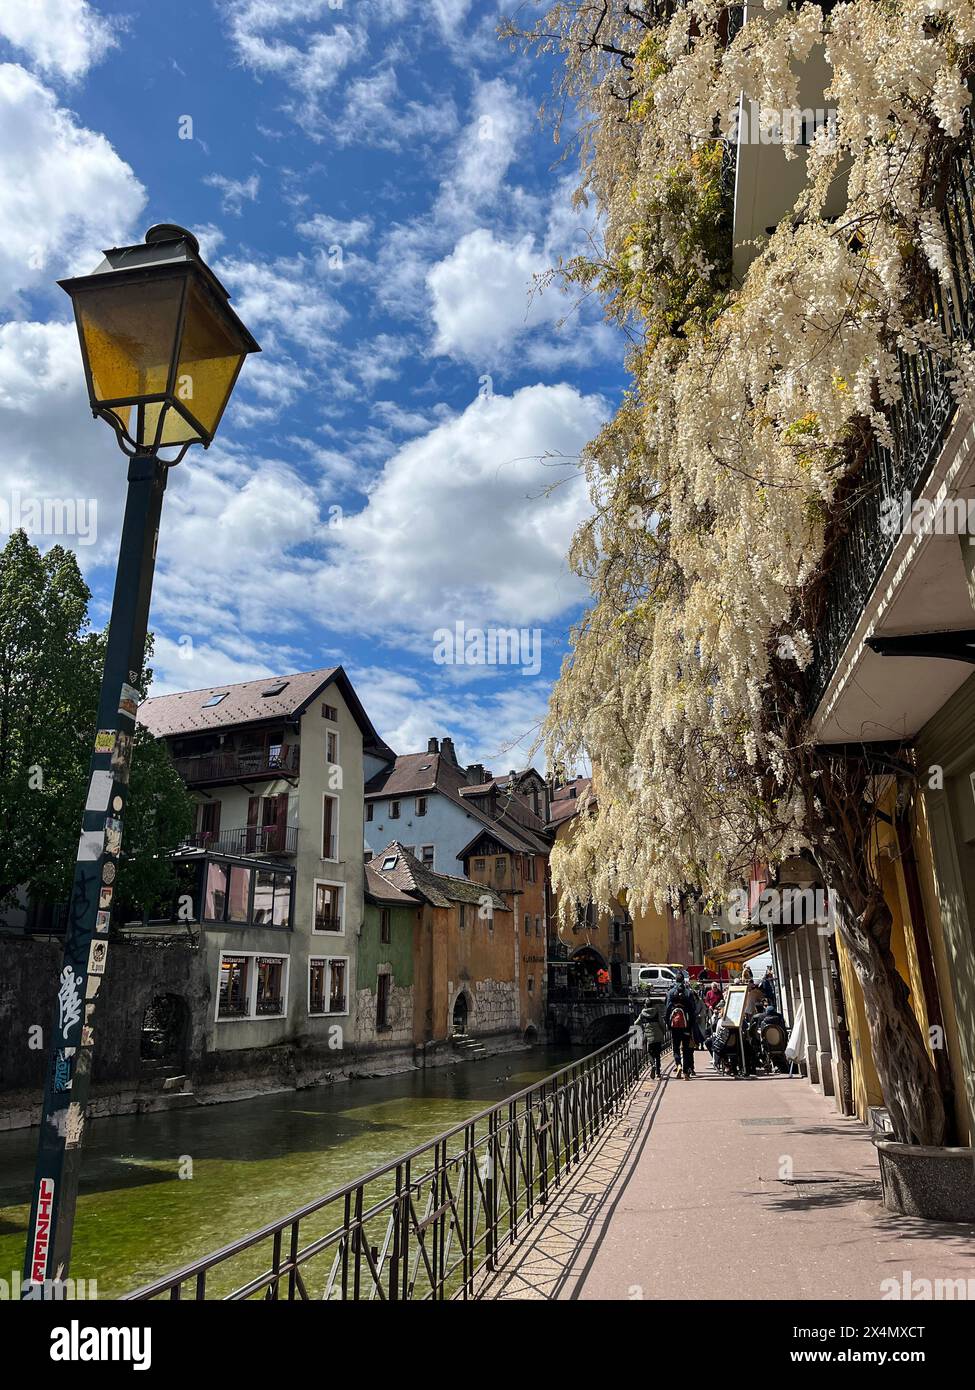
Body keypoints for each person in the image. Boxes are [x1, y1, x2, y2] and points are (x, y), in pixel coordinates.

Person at [664, 970, 696, 1078]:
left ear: (675, 980)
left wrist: (668, 1023)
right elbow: (693, 1010)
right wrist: (691, 1025)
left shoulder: (670, 992)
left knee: (676, 1047)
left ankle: (678, 1064)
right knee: (686, 1048)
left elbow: (668, 1009)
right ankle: (686, 1072)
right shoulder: (688, 992)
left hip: (675, 1024)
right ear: (683, 980)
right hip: (686, 1024)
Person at [635, 995, 666, 1079]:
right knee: (658, 1054)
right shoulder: (656, 1012)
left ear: (645, 1005)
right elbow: (662, 1023)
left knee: (650, 1053)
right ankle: (658, 1073)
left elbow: (636, 1023)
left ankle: (652, 1065)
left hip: (649, 1037)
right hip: (658, 1036)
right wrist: (664, 1032)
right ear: (652, 1005)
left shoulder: (642, 1014)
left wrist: (643, 1026)